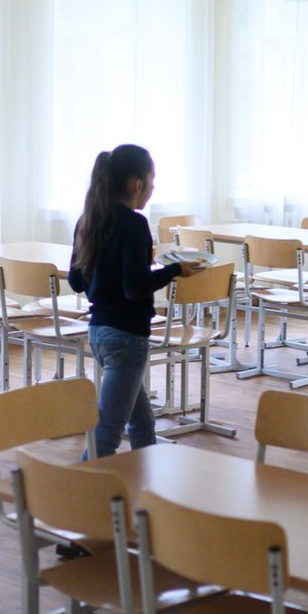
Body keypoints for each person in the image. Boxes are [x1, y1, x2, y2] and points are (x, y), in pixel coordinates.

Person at [68, 144, 201, 455]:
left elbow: (76, 281)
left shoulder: (89, 219)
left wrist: (126, 264)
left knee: (141, 421)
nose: (153, 188)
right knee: (107, 431)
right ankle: (85, 485)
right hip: (127, 337)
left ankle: (145, 477)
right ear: (137, 184)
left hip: (99, 333)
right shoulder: (134, 224)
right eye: (152, 181)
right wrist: (175, 270)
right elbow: (135, 288)